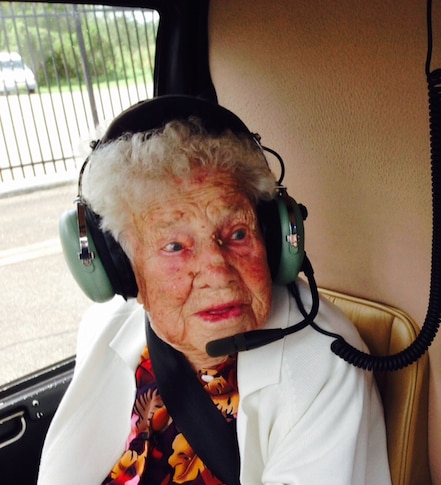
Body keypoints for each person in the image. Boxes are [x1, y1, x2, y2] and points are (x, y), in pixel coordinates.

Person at [39, 96, 391, 484]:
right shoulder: (104, 327)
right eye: (175, 246)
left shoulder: (325, 364)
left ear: (274, 238)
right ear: (122, 267)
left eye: (237, 234)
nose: (217, 273)